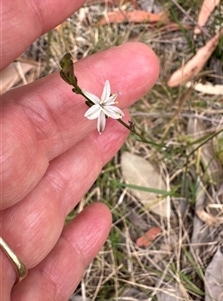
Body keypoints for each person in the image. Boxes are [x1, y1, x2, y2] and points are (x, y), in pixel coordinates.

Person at [0, 1, 159, 300]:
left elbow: (102, 107)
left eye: (104, 104)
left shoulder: (101, 107)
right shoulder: (95, 107)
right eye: (101, 104)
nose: (103, 106)